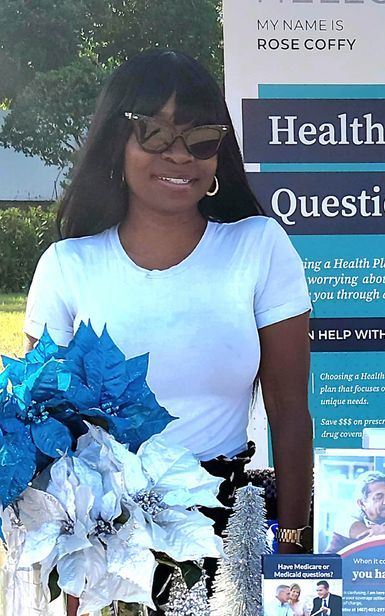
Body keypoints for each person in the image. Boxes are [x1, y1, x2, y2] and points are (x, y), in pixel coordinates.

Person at [23, 51, 315, 552]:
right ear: (117, 143)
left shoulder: (259, 248)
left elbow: (289, 412)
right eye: (154, 133)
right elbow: (39, 422)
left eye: (201, 137)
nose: (180, 155)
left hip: (225, 539)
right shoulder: (67, 266)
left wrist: (292, 546)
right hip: (98, 541)